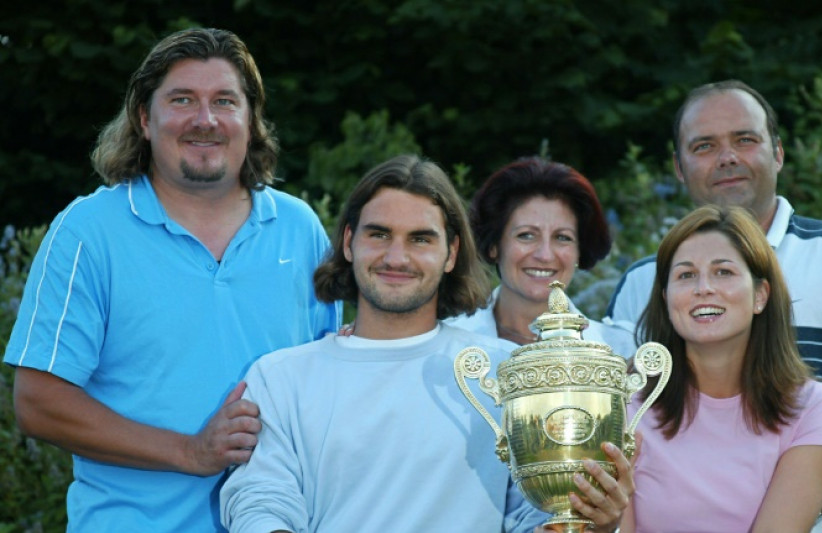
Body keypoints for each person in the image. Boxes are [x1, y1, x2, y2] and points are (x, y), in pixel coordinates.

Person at [3, 28, 341, 532]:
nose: (205, 120)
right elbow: (37, 403)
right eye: (182, 99)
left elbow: (324, 389)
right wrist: (190, 451)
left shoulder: (300, 230)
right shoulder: (87, 232)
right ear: (144, 118)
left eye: (225, 101)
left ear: (250, 121)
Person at [220, 154, 633, 533]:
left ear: (451, 252)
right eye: (379, 234)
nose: (396, 257)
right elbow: (261, 501)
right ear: (348, 242)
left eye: (420, 239)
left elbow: (535, 517)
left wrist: (591, 521)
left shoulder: (511, 373)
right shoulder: (280, 377)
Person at [605, 80, 822, 531]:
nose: (727, 157)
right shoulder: (641, 283)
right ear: (679, 168)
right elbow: (621, 424)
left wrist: (796, 508)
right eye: (704, 145)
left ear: (778, 153)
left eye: (745, 139)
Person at [620, 204, 822, 532]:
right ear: (667, 299)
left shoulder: (813, 408)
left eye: (723, 271)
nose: (703, 288)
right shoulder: (624, 399)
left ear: (760, 295)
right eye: (686, 275)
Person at [447, 156, 634, 356]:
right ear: (494, 246)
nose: (544, 255)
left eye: (562, 237)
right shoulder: (447, 348)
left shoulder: (621, 350)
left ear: (580, 250)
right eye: (526, 235)